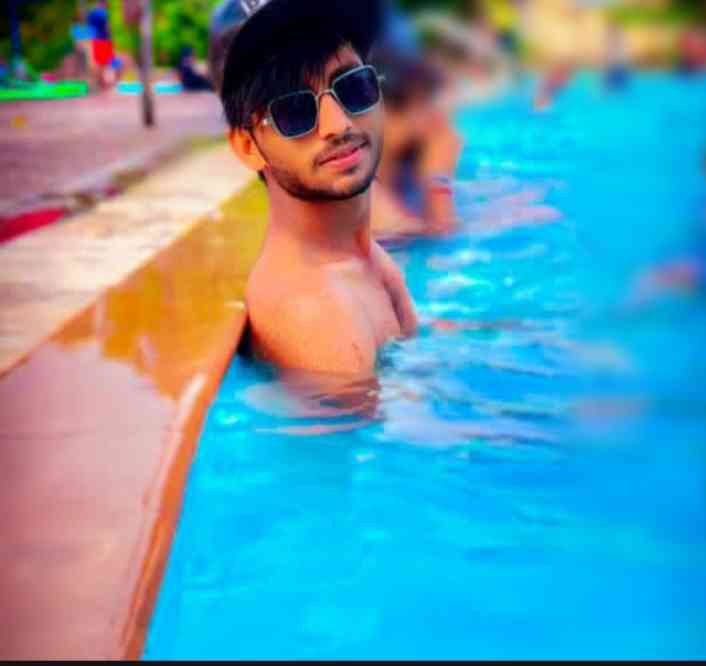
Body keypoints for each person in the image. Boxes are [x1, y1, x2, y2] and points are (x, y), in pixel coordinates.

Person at [220, 0, 417, 379]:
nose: (337, 124)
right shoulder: (318, 314)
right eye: (295, 111)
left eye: (353, 87)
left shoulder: (362, 259)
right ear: (247, 146)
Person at [369, 46, 462, 239]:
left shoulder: (403, 168)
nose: (440, 119)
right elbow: (442, 237)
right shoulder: (366, 192)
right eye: (428, 103)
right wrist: (438, 179)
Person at [86, 0, 114, 90]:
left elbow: (88, 25)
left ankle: (98, 83)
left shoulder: (91, 12)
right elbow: (108, 26)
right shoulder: (104, 13)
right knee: (105, 63)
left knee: (98, 63)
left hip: (95, 39)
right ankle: (104, 84)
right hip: (104, 39)